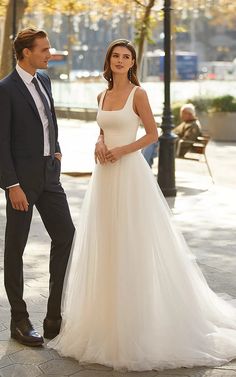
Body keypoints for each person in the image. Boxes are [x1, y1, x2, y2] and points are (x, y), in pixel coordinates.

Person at [49, 39, 236, 371]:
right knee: (106, 244)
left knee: (132, 244)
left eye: (127, 57)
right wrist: (99, 142)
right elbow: (103, 128)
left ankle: (139, 323)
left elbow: (152, 134)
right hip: (104, 177)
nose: (121, 60)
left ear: (133, 63)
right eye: (116, 56)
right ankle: (105, 322)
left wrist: (119, 151)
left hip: (130, 175)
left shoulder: (139, 94)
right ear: (109, 60)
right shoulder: (101, 94)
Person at [0, 28, 75, 347]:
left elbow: (49, 119)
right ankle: (19, 319)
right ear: (26, 52)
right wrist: (11, 185)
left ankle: (53, 317)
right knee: (15, 248)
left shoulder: (44, 80)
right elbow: (0, 142)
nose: (49, 53)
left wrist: (55, 150)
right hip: (21, 182)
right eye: (43, 49)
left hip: (49, 175)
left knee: (67, 235)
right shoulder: (5, 89)